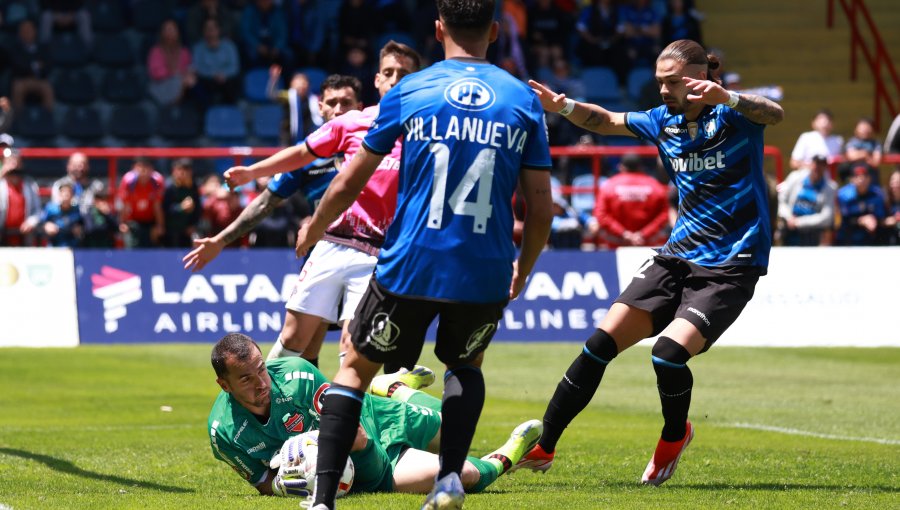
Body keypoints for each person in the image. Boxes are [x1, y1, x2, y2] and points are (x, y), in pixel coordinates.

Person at [294, 0, 555, 507]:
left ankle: (322, 499)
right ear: (496, 32)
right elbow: (540, 208)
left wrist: (316, 227)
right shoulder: (522, 99)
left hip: (410, 261)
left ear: (438, 30)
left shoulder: (411, 89)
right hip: (484, 265)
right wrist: (524, 267)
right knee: (467, 366)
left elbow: (350, 179)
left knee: (352, 369)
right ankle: (450, 480)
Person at [517, 38, 783, 487]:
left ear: (700, 77)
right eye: (660, 82)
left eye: (673, 82)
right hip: (676, 257)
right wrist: (563, 107)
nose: (663, 91)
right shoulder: (663, 120)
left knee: (667, 355)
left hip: (731, 264)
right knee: (599, 344)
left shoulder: (734, 114)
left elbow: (773, 113)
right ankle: (545, 445)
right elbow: (605, 120)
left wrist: (730, 96)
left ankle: (674, 436)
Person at [218, 42, 420, 372]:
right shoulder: (353, 122)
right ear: (377, 80)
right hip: (331, 243)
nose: (396, 79)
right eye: (388, 72)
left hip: (381, 253)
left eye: (404, 73)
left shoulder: (429, 131)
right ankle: (264, 415)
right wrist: (253, 171)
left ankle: (353, 418)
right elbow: (301, 153)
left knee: (354, 349)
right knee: (293, 340)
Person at [207, 333, 540, 498]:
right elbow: (263, 482)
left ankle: (389, 388)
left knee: (458, 422)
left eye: (261, 370)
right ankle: (511, 453)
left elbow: (356, 433)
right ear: (224, 385)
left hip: (374, 419)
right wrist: (289, 484)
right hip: (373, 464)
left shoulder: (298, 376)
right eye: (246, 379)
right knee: (463, 475)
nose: (260, 383)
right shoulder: (223, 432)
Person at [589, 152, 669, 249]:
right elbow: (664, 215)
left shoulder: (608, 185)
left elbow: (601, 214)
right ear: (641, 167)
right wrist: (642, 234)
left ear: (621, 167)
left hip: (616, 245)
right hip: (647, 245)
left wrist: (624, 234)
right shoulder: (656, 186)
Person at [777, 154, 838, 246]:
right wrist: (789, 217)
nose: (818, 168)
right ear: (810, 164)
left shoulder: (830, 188)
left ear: (825, 168)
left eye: (822, 165)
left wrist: (799, 222)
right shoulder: (795, 177)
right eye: (816, 164)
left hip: (812, 233)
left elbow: (827, 217)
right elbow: (781, 200)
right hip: (789, 228)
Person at [117, 157, 165, 248]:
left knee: (152, 247)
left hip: (151, 221)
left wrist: (159, 225)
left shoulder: (157, 181)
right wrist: (123, 223)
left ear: (151, 169)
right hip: (133, 221)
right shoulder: (128, 182)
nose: (144, 173)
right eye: (140, 168)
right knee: (132, 246)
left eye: (146, 168)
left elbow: (157, 206)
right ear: (134, 168)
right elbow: (125, 205)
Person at [147, 19, 197, 106]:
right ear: (162, 33)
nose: (169, 33)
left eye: (172, 30)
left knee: (193, 82)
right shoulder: (156, 51)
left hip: (182, 87)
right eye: (167, 30)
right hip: (162, 86)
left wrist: (188, 75)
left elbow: (189, 68)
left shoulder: (184, 52)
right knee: (179, 81)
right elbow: (156, 73)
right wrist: (176, 74)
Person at [192, 18, 241, 106]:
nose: (210, 31)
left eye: (213, 28)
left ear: (218, 30)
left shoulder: (229, 46)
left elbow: (234, 67)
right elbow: (198, 68)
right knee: (196, 84)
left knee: (235, 81)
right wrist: (213, 75)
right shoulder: (198, 48)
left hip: (227, 80)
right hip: (207, 80)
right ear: (203, 31)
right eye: (207, 28)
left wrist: (224, 74)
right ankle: (205, 114)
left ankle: (231, 111)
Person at [836, 164, 887, 246]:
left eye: (864, 176)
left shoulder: (877, 194)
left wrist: (874, 219)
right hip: (849, 240)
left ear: (869, 178)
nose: (861, 180)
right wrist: (861, 220)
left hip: (871, 240)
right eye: (857, 176)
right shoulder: (844, 195)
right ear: (851, 179)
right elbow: (844, 219)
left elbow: (881, 217)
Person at [0, 150, 41, 247]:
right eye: (10, 161)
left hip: (24, 235)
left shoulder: (30, 185)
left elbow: (37, 210)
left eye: (16, 161)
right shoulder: (1, 184)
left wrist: (31, 222)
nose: (14, 165)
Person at [162, 158, 201, 248]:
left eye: (186, 170)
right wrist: (181, 207)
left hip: (188, 231)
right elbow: (165, 210)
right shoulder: (169, 187)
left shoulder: (194, 187)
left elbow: (198, 209)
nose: (182, 174)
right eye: (179, 170)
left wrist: (193, 225)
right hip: (171, 231)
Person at [838, 117, 882, 184]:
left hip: (870, 175)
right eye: (862, 127)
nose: (864, 130)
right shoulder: (852, 142)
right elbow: (851, 156)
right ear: (856, 129)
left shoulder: (876, 144)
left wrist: (860, 155)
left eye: (867, 127)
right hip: (853, 175)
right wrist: (866, 155)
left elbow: (876, 161)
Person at [40, 179, 83, 247]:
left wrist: (79, 230)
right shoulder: (50, 209)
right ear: (59, 194)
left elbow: (82, 227)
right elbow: (40, 224)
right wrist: (46, 226)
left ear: (73, 195)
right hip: (54, 247)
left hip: (72, 247)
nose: (65, 194)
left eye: (68, 192)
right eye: (63, 191)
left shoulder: (77, 210)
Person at [884, 168, 900, 245]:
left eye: (898, 182)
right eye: (893, 181)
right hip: (889, 241)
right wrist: (890, 221)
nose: (895, 184)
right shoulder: (885, 200)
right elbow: (880, 220)